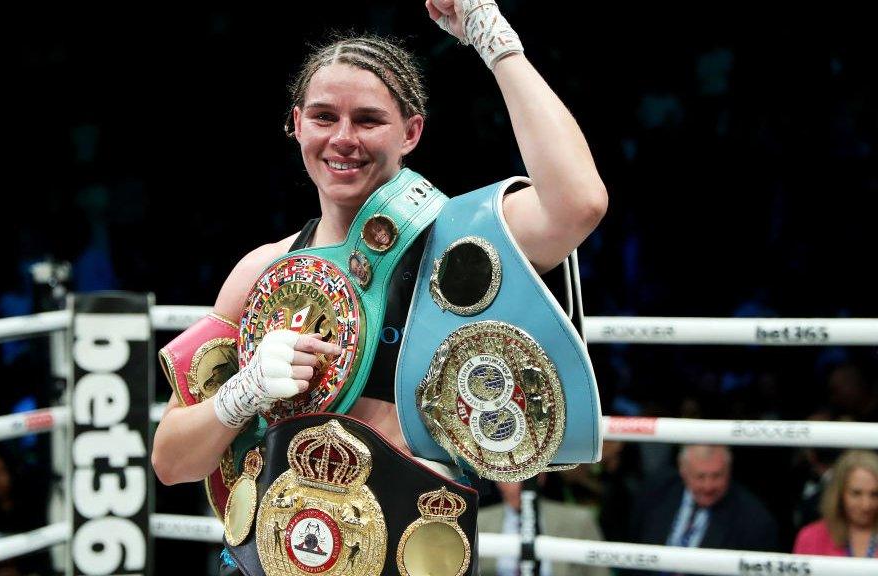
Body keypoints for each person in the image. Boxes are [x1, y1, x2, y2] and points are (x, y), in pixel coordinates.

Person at [152, 1, 607, 573]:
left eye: (368, 120)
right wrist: (242, 392)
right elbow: (171, 461)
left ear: (411, 132)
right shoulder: (262, 271)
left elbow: (579, 203)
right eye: (323, 117)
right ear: (296, 125)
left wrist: (493, 38)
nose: (343, 138)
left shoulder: (458, 248)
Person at [629, 445, 778, 565]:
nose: (708, 486)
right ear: (683, 470)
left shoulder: (753, 519)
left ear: (729, 471)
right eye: (700, 477)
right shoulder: (657, 491)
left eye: (717, 476)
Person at [793, 450, 878, 558]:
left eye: (875, 494)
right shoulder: (810, 538)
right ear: (839, 494)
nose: (866, 505)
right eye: (856, 494)